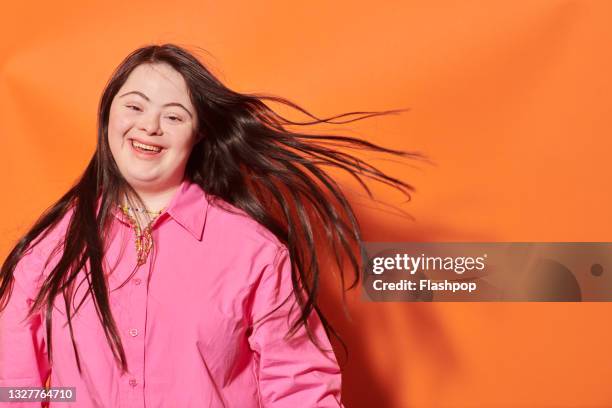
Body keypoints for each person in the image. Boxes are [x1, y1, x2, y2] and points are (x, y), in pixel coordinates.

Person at [0, 43, 422, 407]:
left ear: (197, 134)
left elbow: (297, 386)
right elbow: (12, 383)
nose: (149, 125)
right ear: (108, 114)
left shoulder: (252, 250)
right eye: (134, 106)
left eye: (174, 116)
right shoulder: (49, 247)